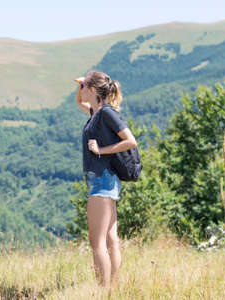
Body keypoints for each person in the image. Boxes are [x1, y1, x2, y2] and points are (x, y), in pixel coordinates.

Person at [74, 70, 137, 290]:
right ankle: (113, 288)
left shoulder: (107, 113)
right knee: (110, 240)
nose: (82, 91)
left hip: (103, 180)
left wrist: (102, 150)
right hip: (104, 180)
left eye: (85, 87)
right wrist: (81, 86)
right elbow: (79, 102)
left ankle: (104, 290)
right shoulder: (96, 113)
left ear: (93, 90)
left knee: (97, 242)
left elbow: (130, 141)